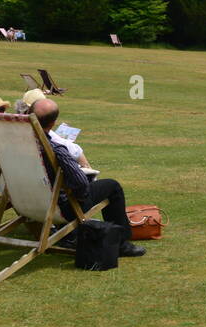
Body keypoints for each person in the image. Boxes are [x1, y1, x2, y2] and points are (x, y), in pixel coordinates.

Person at [30, 98, 144, 257]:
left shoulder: (15, 145)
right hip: (61, 209)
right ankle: (121, 244)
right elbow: (80, 185)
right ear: (54, 123)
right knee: (112, 186)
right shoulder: (56, 149)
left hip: (27, 202)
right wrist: (82, 193)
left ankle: (72, 234)